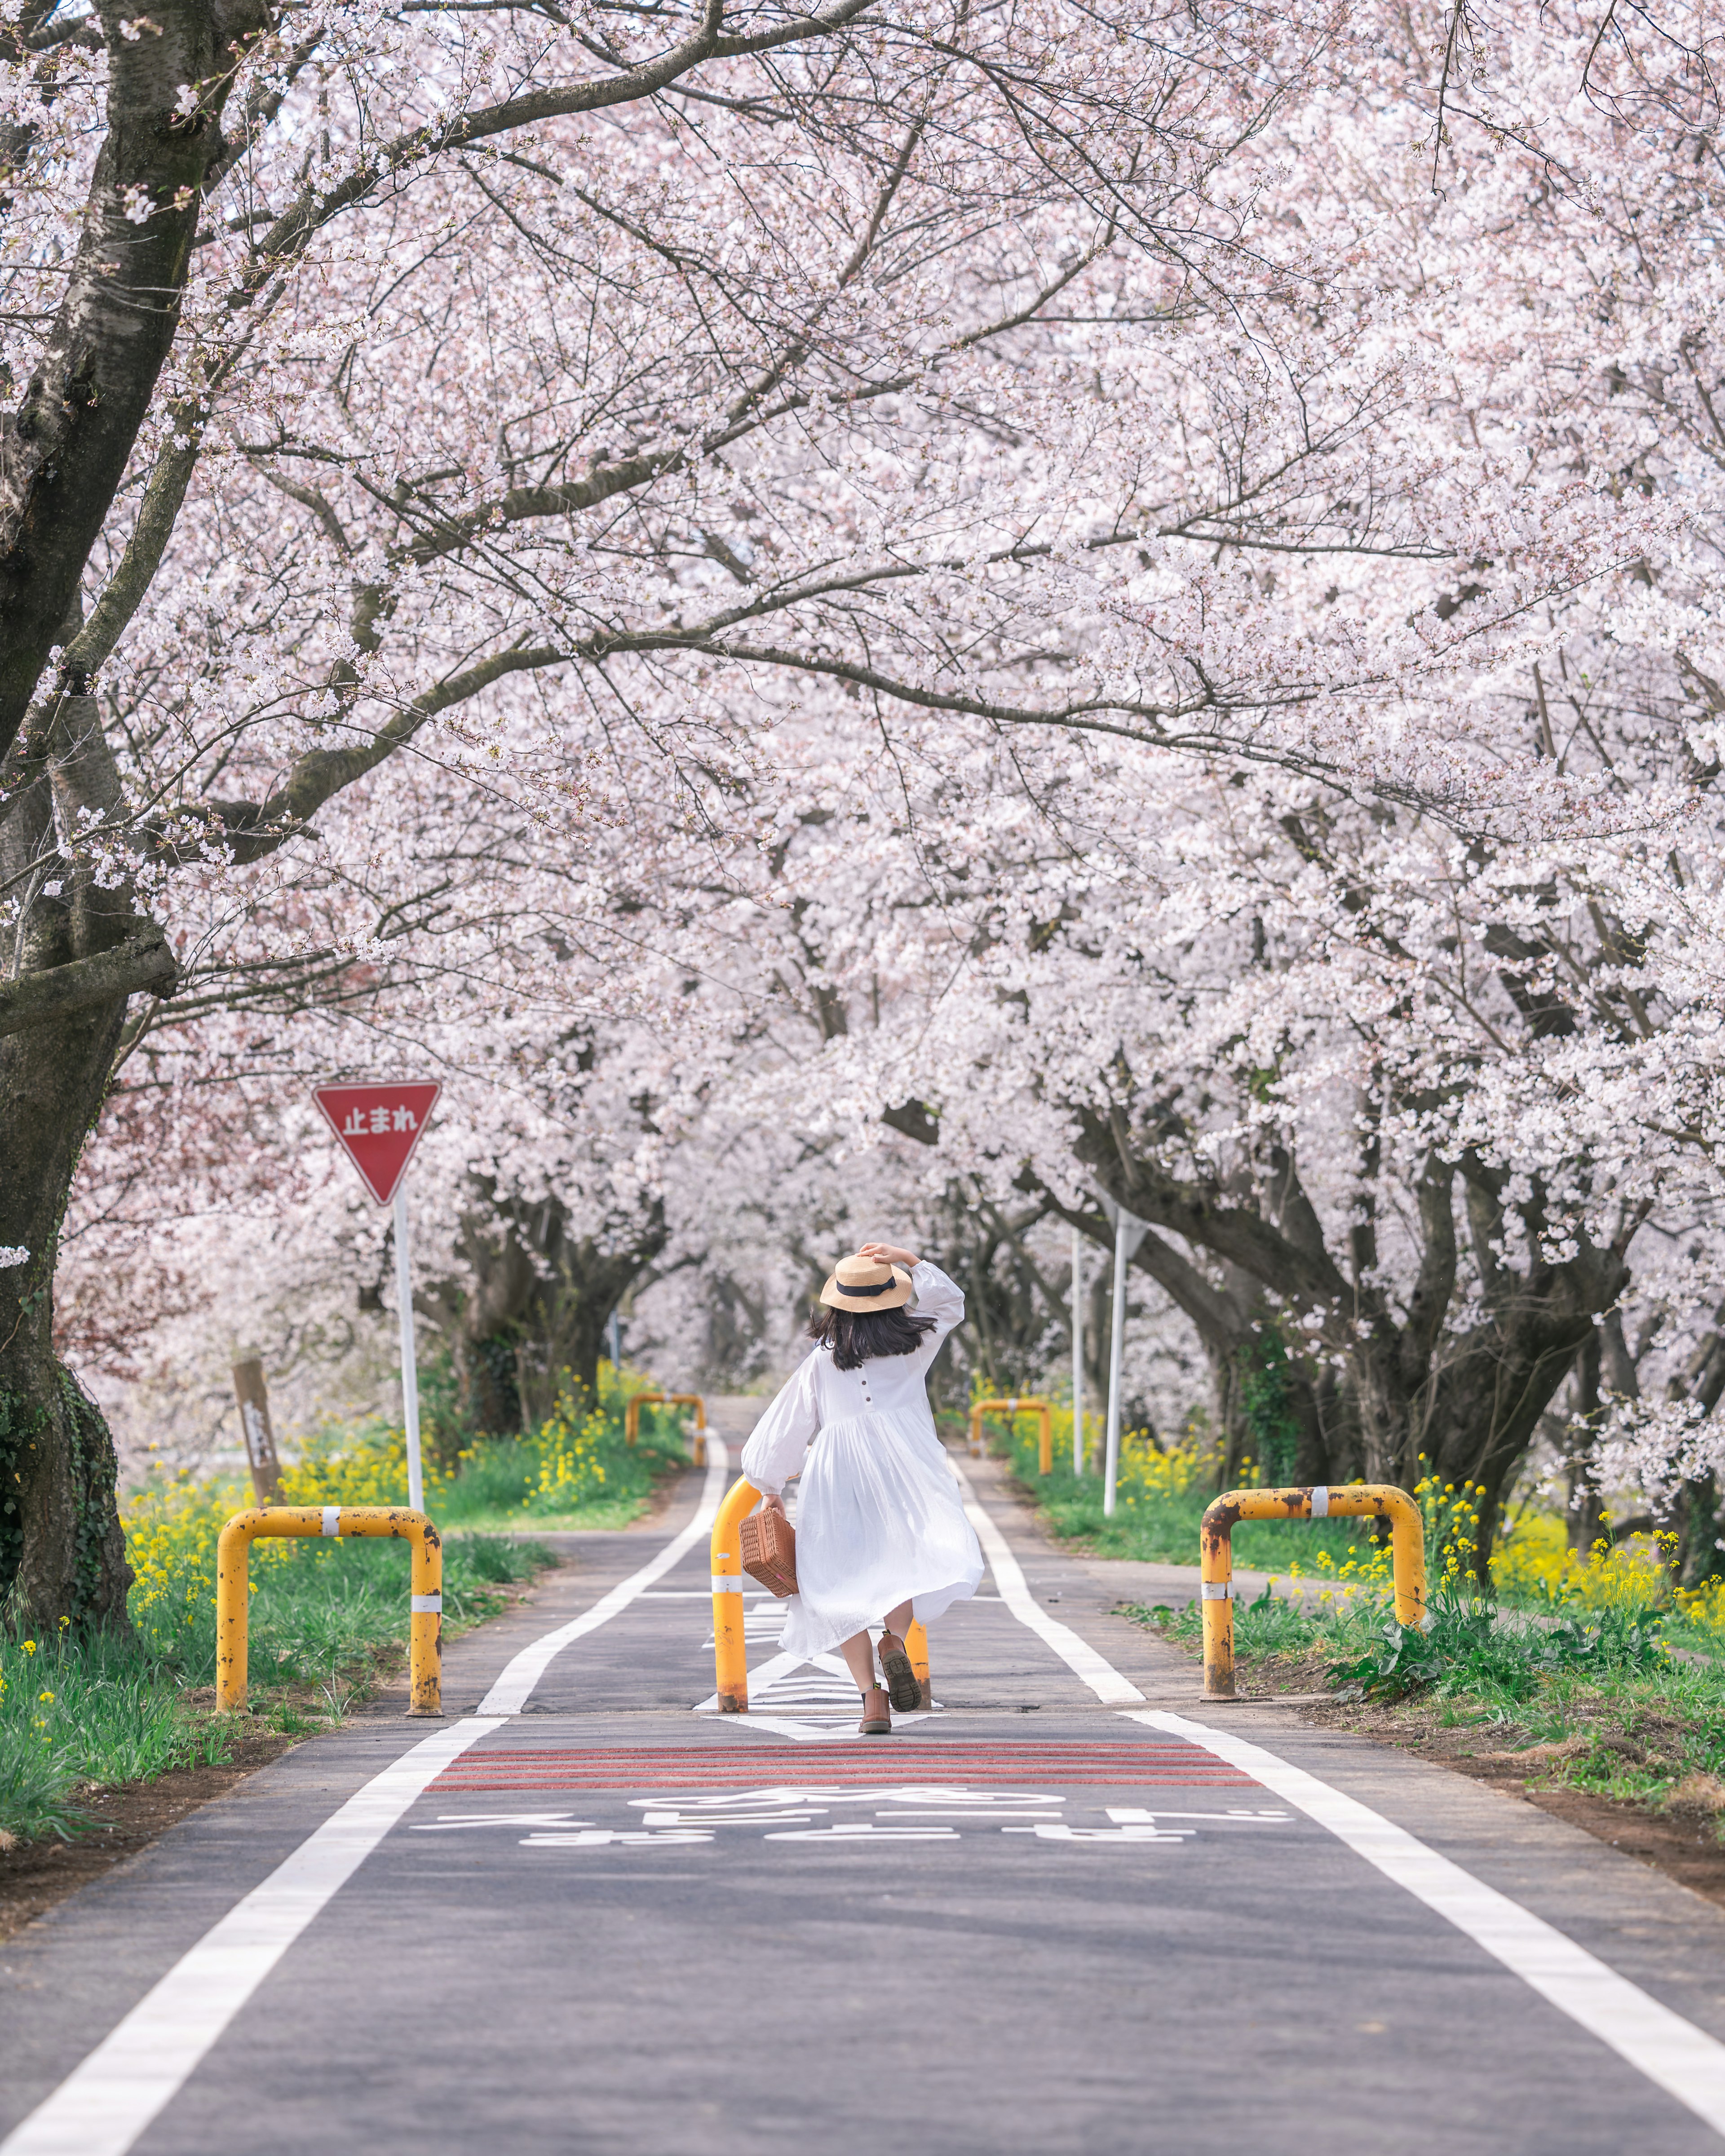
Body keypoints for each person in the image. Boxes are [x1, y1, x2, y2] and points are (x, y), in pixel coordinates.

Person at [739, 1241, 982, 1734]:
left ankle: (872, 1700)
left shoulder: (823, 1362)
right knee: (905, 1564)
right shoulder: (915, 1345)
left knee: (837, 1581)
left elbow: (785, 1427)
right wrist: (910, 1260)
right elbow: (949, 1302)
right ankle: (894, 1640)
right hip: (908, 1467)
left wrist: (769, 1486)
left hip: (838, 1476)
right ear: (893, 1299)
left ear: (837, 1306)